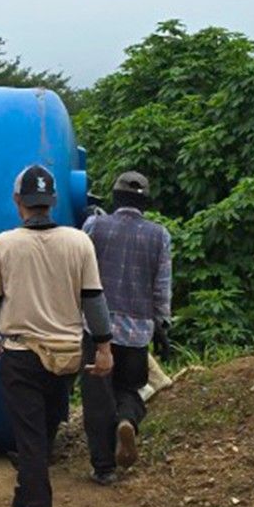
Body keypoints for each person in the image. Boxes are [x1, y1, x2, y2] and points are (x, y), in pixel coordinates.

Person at [0, 165, 114, 507]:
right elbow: (94, 301)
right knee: (46, 431)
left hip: (21, 354)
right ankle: (23, 503)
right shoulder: (78, 243)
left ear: (18, 201)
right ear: (52, 202)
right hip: (67, 355)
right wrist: (104, 347)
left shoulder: (1, 245)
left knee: (31, 441)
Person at [81, 171, 172, 483]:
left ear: (116, 199)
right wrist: (161, 325)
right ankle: (128, 422)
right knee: (129, 389)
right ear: (144, 203)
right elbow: (162, 287)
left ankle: (103, 468)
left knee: (97, 397)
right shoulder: (159, 235)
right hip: (138, 331)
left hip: (96, 329)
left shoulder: (94, 226)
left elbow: (80, 271)